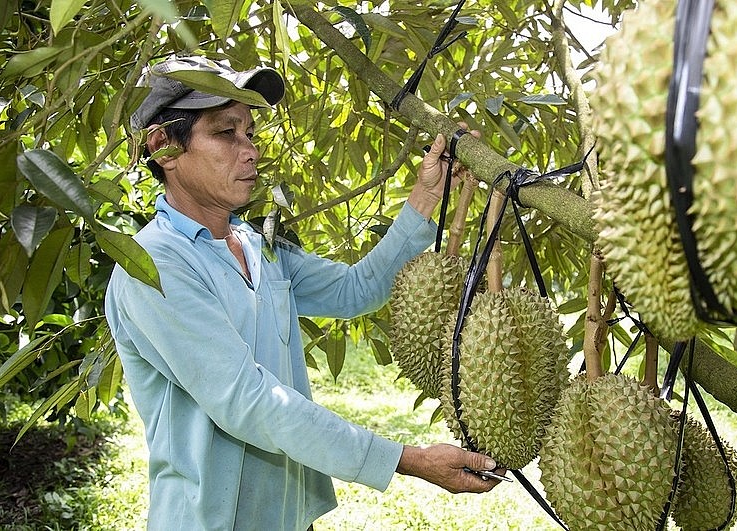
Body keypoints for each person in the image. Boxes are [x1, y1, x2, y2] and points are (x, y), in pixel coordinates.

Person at [104, 55, 501, 530]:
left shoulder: (258, 246)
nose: (249, 150)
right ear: (164, 147)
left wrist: (426, 196)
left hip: (291, 517)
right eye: (226, 133)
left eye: (250, 133)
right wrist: (408, 459)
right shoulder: (152, 266)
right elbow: (248, 401)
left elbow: (359, 289)